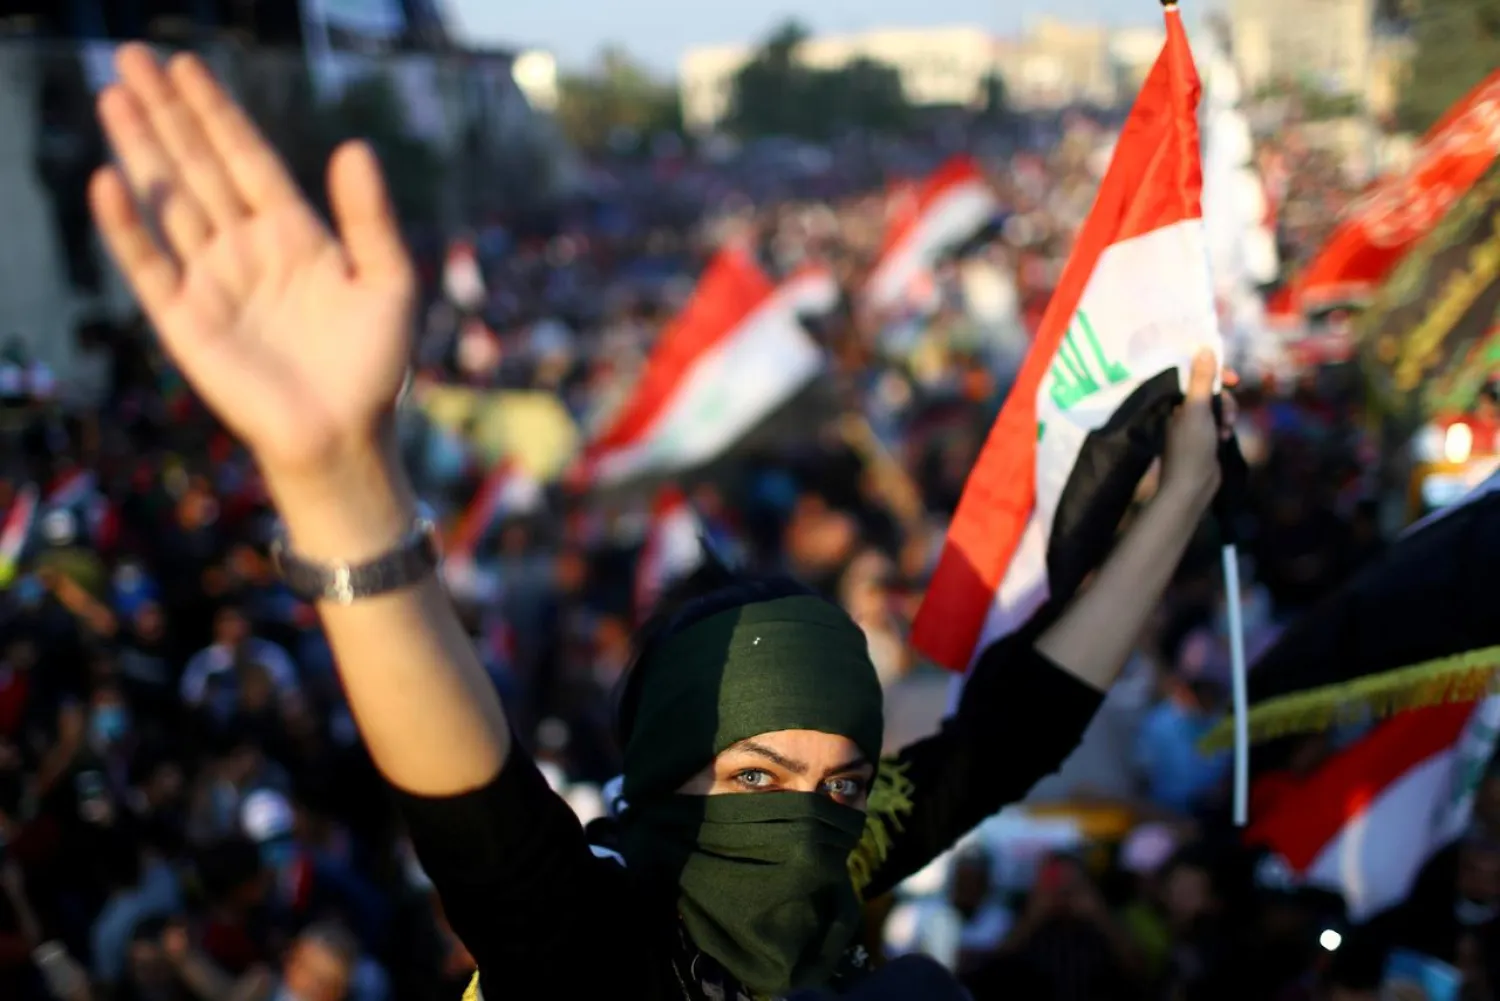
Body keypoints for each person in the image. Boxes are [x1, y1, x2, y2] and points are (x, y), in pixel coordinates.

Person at [86, 45, 1233, 999]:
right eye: (755, 775)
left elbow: (1019, 726)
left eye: (842, 784)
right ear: (663, 771)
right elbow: (474, 804)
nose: (809, 818)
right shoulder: (598, 938)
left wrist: (1179, 492)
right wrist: (340, 487)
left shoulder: (842, 858)